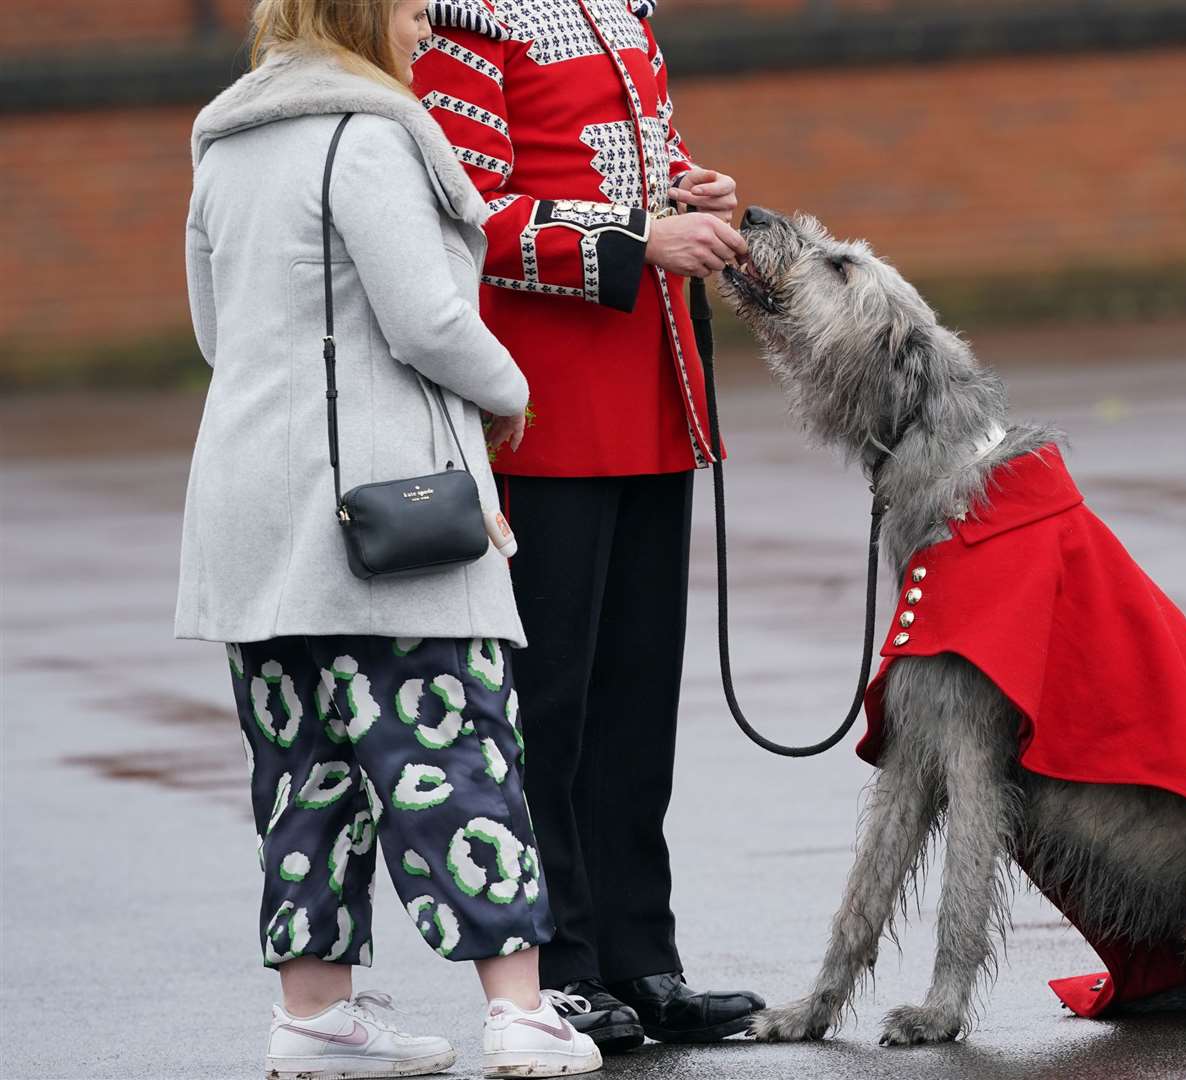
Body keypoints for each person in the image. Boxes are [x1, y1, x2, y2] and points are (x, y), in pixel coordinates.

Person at [178, 0, 601, 1075]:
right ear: (359, 14)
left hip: (249, 512)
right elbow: (427, 320)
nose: (427, 26)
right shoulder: (369, 135)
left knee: (302, 771)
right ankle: (519, 1011)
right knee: (456, 748)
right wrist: (511, 390)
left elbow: (212, 327)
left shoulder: (225, 142)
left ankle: (314, 1016)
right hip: (379, 509)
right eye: (412, 7)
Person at [411, 0, 765, 1052]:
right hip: (544, 411)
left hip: (655, 399)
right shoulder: (470, 27)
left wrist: (700, 195)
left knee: (635, 701)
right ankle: (558, 965)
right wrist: (637, 236)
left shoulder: (621, 11)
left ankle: (639, 955)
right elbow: (471, 216)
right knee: (545, 709)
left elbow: (635, 167)